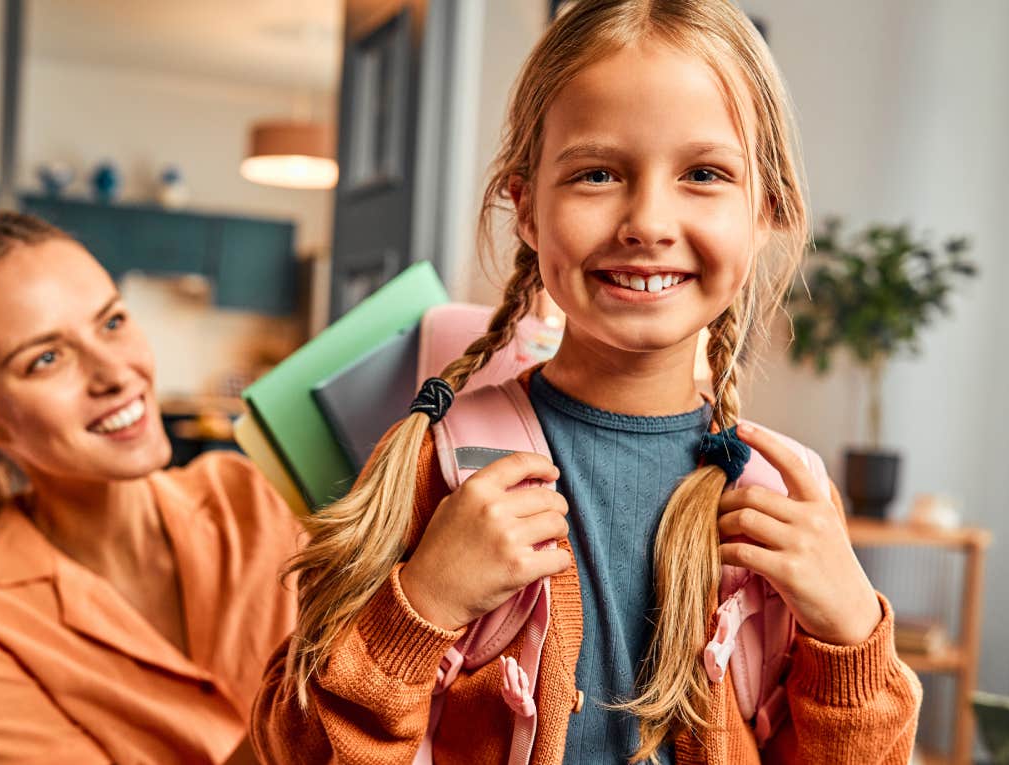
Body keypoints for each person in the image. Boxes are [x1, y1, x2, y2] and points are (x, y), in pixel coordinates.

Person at [250, 1, 921, 763]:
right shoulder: (437, 461)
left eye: (704, 173)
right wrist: (423, 606)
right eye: (597, 173)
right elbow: (293, 746)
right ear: (526, 207)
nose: (647, 221)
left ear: (767, 210)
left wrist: (849, 639)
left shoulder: (785, 498)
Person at [0, 212, 298, 765]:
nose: (115, 373)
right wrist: (391, 630)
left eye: (113, 322)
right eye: (46, 359)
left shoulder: (257, 494)